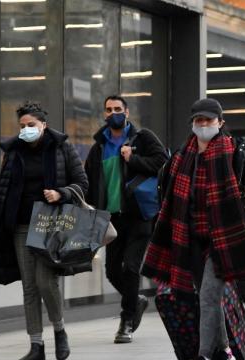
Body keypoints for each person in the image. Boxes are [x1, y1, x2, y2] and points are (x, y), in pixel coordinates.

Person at [141, 98, 245, 360]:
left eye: (209, 121)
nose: (203, 125)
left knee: (209, 296)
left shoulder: (234, 151)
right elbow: (167, 193)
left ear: (220, 122)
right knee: (207, 296)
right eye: (198, 121)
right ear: (192, 123)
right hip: (189, 239)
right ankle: (225, 350)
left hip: (223, 239)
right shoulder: (181, 157)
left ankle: (203, 354)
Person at [0, 102, 89, 360]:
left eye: (31, 125)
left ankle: (60, 331)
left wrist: (61, 193)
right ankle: (36, 346)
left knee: (46, 282)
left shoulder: (62, 147)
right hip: (21, 227)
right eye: (22, 126)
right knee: (29, 288)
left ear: (43, 126)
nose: (26, 130)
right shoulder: (14, 153)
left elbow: (82, 183)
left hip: (50, 225)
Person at [84, 95, 168, 344]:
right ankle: (137, 300)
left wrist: (134, 159)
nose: (113, 113)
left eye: (117, 109)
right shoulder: (99, 146)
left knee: (131, 267)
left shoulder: (143, 138)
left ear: (127, 112)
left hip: (139, 214)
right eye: (108, 110)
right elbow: (88, 181)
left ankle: (126, 321)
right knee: (111, 271)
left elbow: (164, 162)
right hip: (112, 218)